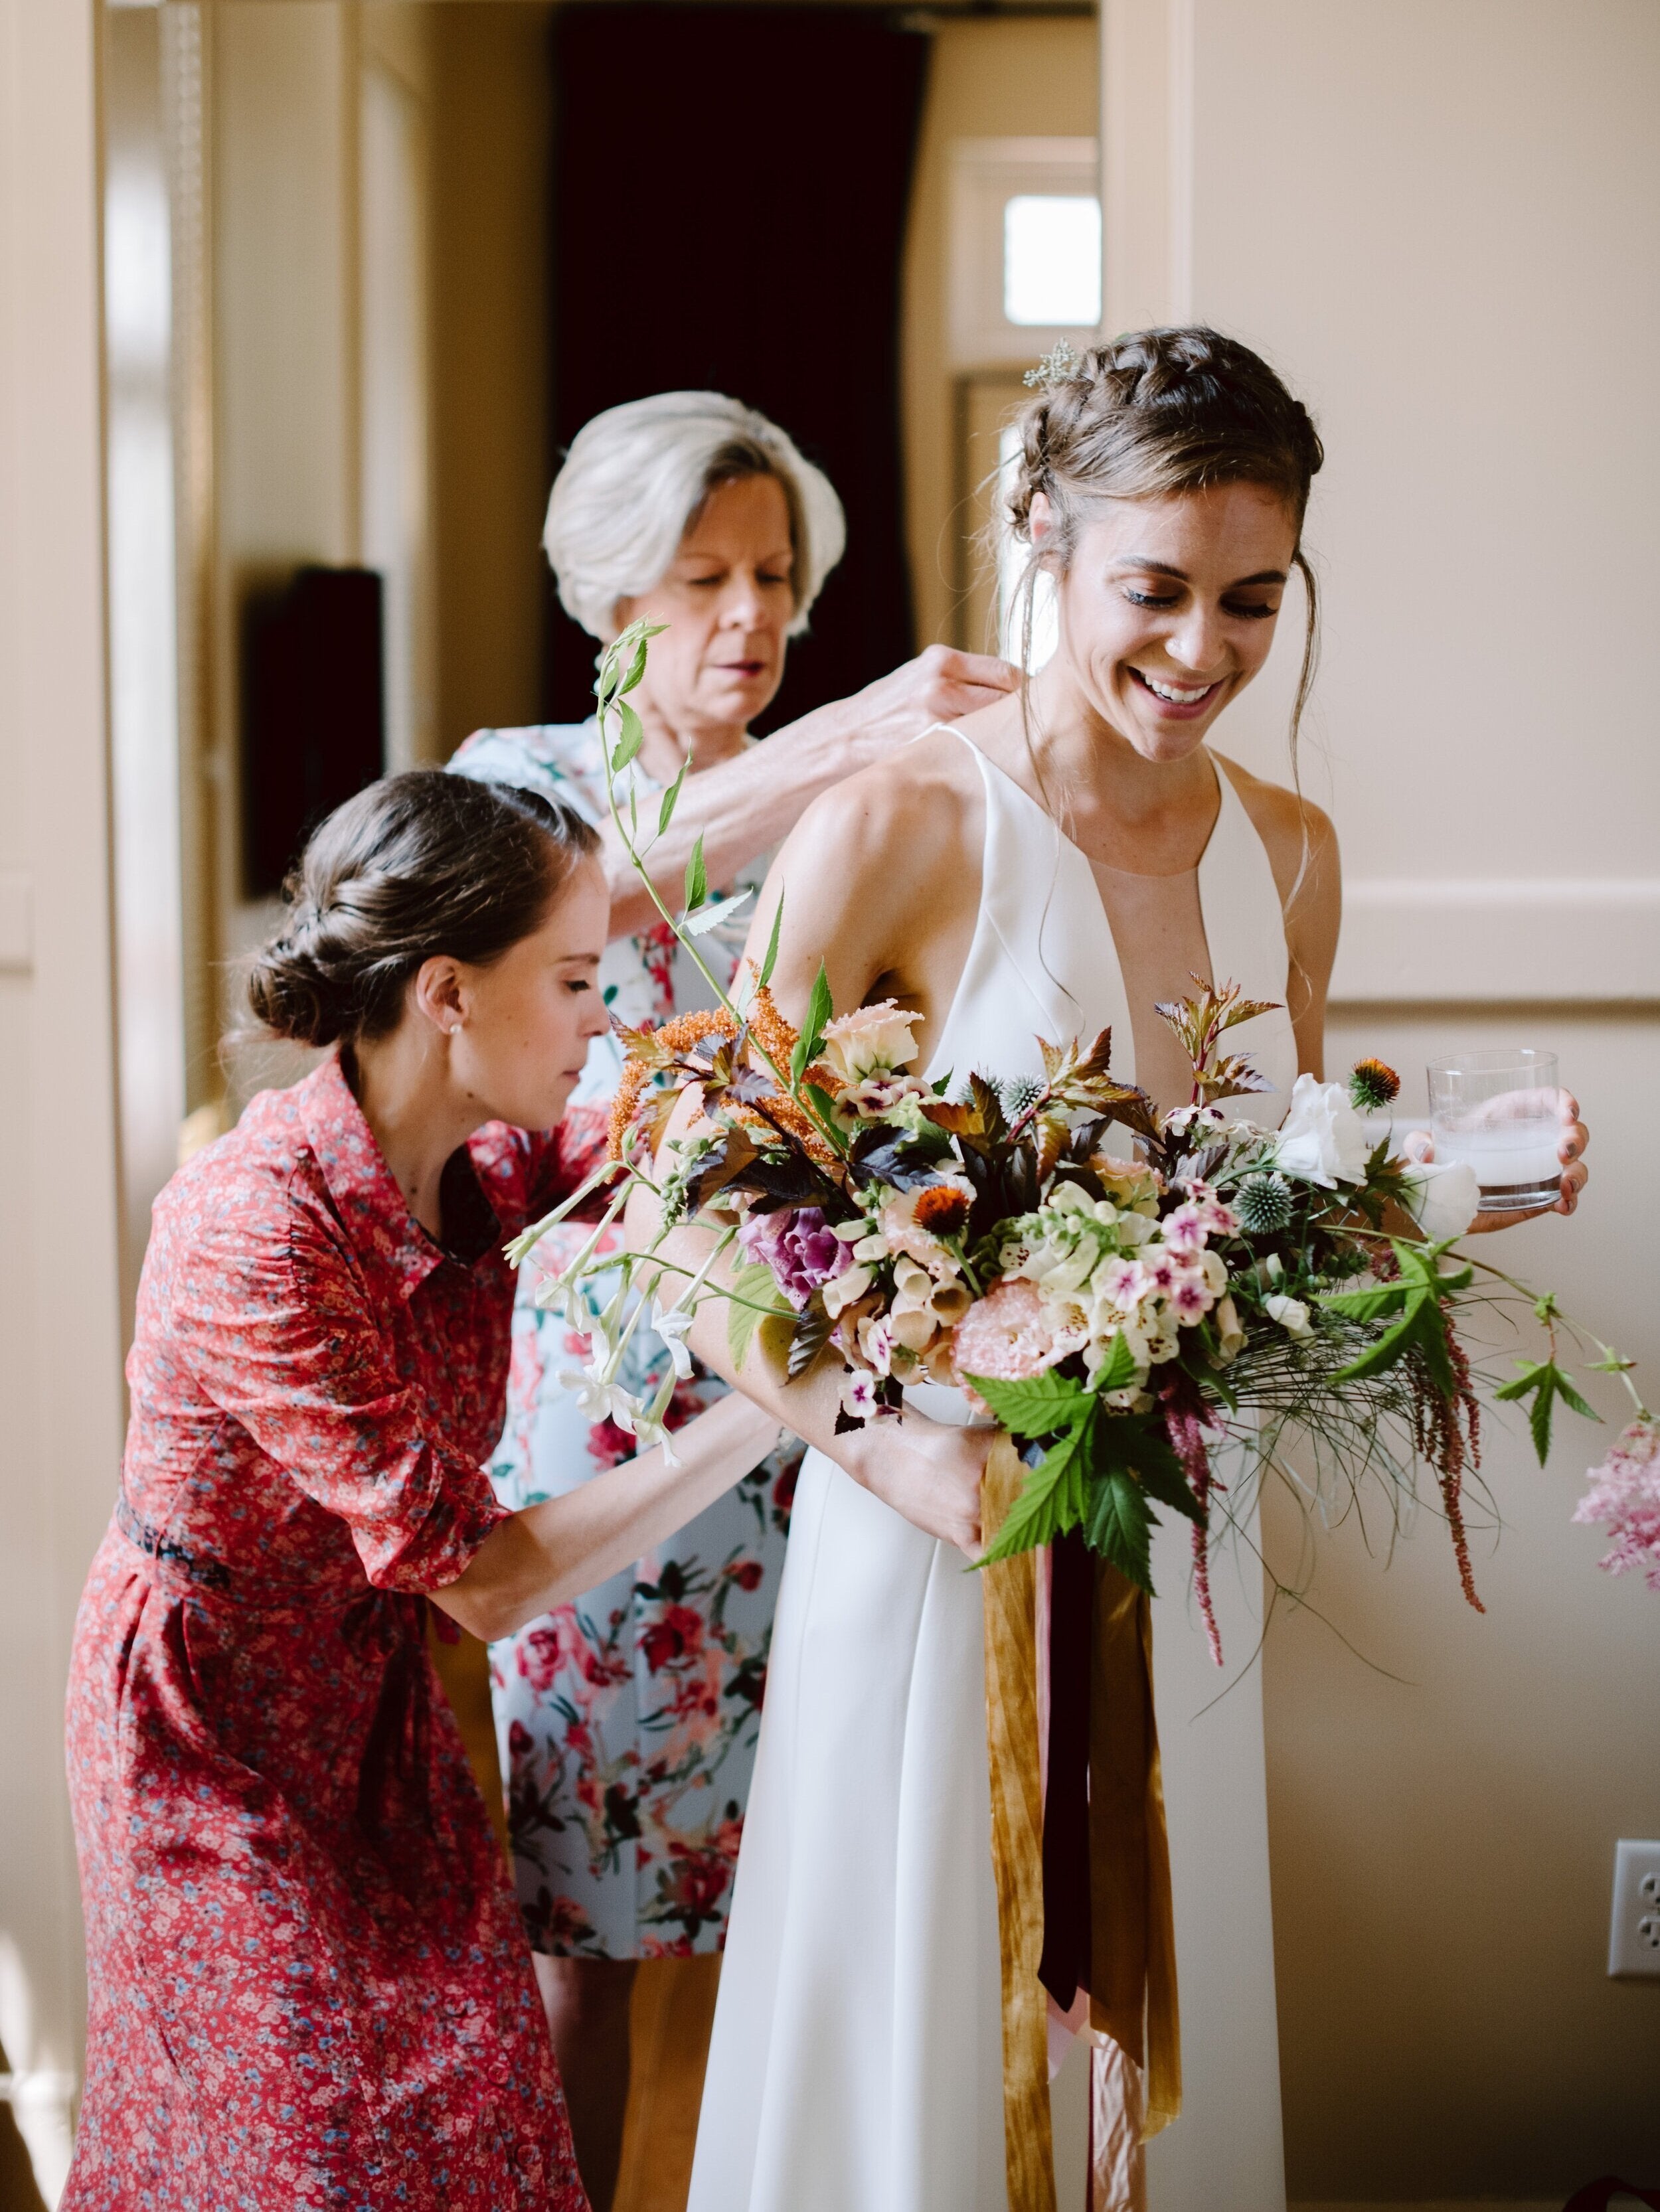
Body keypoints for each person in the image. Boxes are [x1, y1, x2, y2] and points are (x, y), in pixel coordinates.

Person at [627, 330, 1591, 2211]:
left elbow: (1274, 1195)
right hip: (931, 1537)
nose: (1200, 650)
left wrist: (1455, 1195)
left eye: (1251, 599)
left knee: (1160, 2030)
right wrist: (881, 1441)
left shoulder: (1289, 852)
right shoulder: (904, 820)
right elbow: (679, 1210)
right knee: (926, 2044)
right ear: (1041, 543)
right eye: (1153, 590)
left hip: (1176, 1536)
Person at [61, 770, 784, 2212]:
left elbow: (671, 1147)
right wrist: (771, 1414)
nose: (602, 1017)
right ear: (447, 991)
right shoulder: (253, 1229)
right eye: (576, 980)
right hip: (210, 1723)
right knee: (299, 2144)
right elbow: (488, 1577)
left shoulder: (499, 1161)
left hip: (370, 1699)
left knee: (469, 2107)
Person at [450, 388, 1017, 2205]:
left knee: (813, 1883)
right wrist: (861, 726)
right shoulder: (513, 783)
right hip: (596, 1416)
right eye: (700, 575)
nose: (748, 614)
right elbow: (597, 891)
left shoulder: (867, 807)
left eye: (773, 573)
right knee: (577, 1927)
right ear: (611, 594)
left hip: (812, 1391)